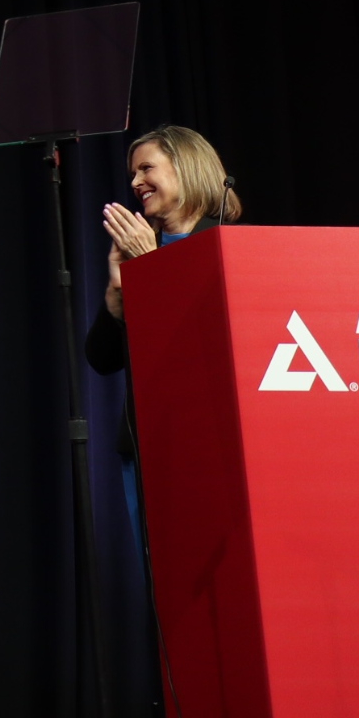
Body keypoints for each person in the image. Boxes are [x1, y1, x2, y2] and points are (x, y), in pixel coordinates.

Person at [85, 124, 243, 554]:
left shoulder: (231, 244)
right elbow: (101, 359)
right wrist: (117, 297)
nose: (136, 182)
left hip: (217, 447)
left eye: (146, 168)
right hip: (148, 447)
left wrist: (150, 268)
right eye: (132, 173)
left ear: (186, 167)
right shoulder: (143, 249)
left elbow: (202, 338)